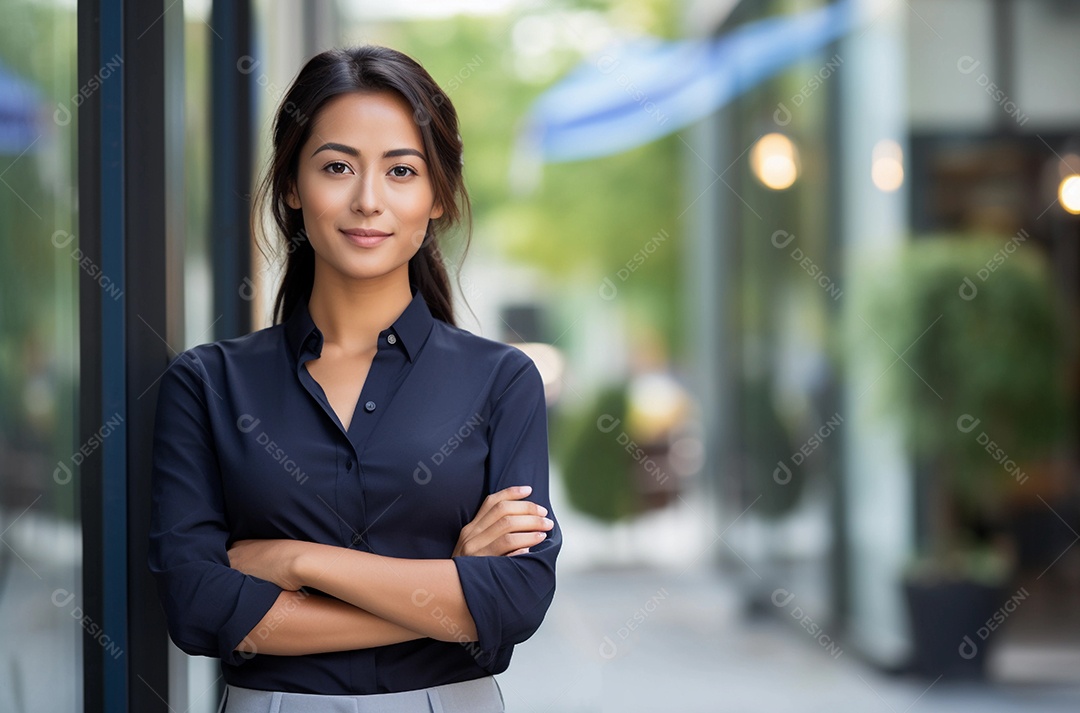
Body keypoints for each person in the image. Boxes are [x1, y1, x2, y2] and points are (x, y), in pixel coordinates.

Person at [147, 45, 561, 713]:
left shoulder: (502, 380)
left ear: (438, 198)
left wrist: (294, 562)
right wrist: (450, 596)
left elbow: (516, 599)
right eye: (337, 166)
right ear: (291, 185)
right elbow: (197, 607)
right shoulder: (207, 383)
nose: (368, 200)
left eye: (401, 170)